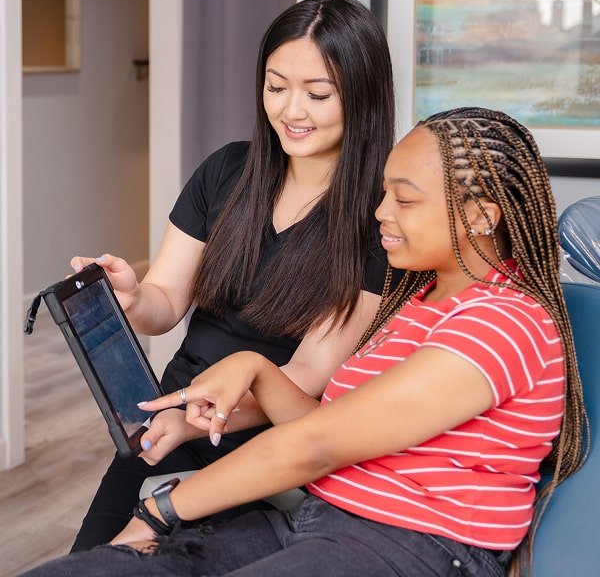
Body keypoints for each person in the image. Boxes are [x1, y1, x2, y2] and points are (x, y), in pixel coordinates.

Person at [23, 107, 587, 577]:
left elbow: (314, 447)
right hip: (317, 520)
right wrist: (256, 368)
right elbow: (337, 432)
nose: (381, 213)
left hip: (414, 545)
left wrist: (158, 513)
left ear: (481, 215)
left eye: (405, 200)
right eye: (385, 193)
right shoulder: (418, 304)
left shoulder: (502, 320)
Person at [67, 0, 397, 551]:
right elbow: (165, 302)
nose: (292, 111)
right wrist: (131, 297)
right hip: (168, 418)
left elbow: (308, 374)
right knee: (92, 560)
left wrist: (198, 422)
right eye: (276, 87)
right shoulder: (226, 170)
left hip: (261, 443)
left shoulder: (379, 220)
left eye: (317, 94)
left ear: (362, 97)